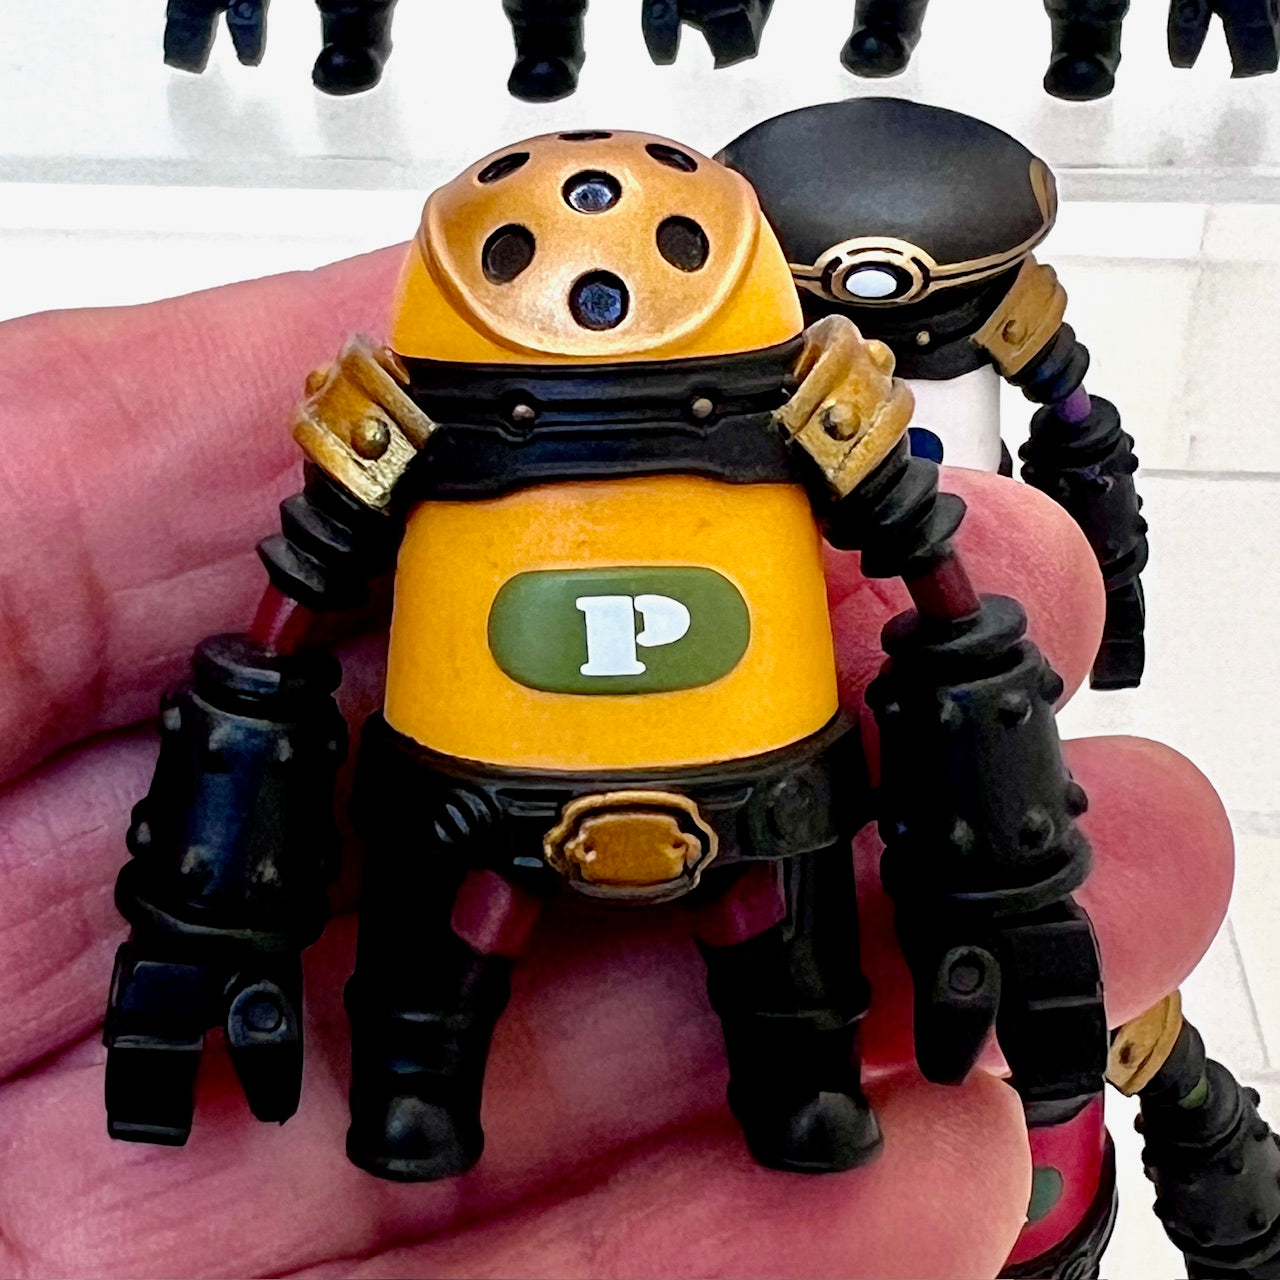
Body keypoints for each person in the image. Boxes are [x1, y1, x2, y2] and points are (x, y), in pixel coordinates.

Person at [0, 245, 1233, 1278]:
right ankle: (420, 1100)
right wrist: (214, 907)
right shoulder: (422, 407)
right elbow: (288, 617)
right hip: (509, 786)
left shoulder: (790, 393)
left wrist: (998, 875)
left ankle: (782, 1089)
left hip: (721, 783)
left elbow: (945, 602)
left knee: (777, 981)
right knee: (442, 992)